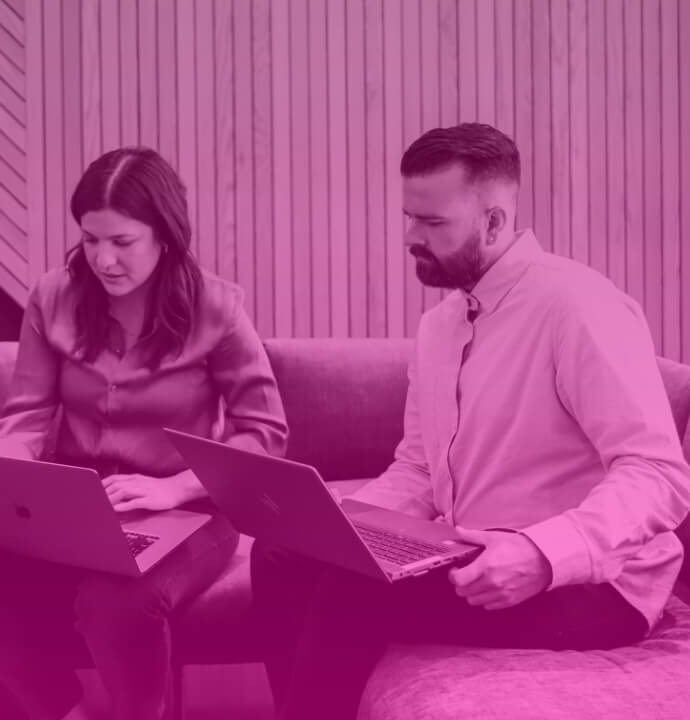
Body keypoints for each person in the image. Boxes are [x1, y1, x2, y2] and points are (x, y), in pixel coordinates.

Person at [250, 123, 690, 720]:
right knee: (282, 555)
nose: (411, 236)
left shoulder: (580, 308)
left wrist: (541, 553)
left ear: (493, 222)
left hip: (591, 585)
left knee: (346, 594)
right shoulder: (441, 327)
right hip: (476, 557)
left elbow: (659, 474)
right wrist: (339, 525)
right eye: (410, 217)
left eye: (433, 224)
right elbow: (420, 467)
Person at [0, 147, 288, 720]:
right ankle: (59, 711)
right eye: (90, 239)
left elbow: (266, 434)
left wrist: (176, 488)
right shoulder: (52, 297)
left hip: (192, 507)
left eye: (122, 242)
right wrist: (14, 479)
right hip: (79, 502)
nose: (103, 260)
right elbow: (27, 417)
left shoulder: (217, 308)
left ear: (165, 235)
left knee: (117, 601)